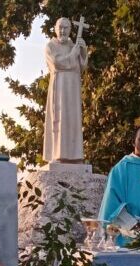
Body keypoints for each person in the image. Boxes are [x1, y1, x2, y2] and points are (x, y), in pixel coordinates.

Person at [43, 17, 88, 163]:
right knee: (60, 119)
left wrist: (83, 50)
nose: (63, 31)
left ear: (70, 30)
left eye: (66, 28)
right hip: (60, 86)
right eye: (60, 28)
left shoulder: (73, 45)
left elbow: (81, 66)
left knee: (73, 119)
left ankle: (74, 156)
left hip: (73, 87)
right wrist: (73, 54)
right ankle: (58, 154)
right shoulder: (50, 46)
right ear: (55, 29)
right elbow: (57, 63)